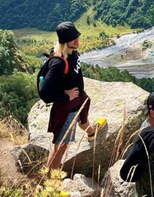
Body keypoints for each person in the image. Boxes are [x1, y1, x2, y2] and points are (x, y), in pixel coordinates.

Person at [40, 21, 106, 177]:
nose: (76, 40)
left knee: (83, 117)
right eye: (72, 38)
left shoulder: (72, 51)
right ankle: (51, 182)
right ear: (64, 41)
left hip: (77, 99)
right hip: (66, 106)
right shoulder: (58, 62)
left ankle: (91, 132)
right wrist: (65, 96)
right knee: (61, 145)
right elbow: (44, 92)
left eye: (77, 36)